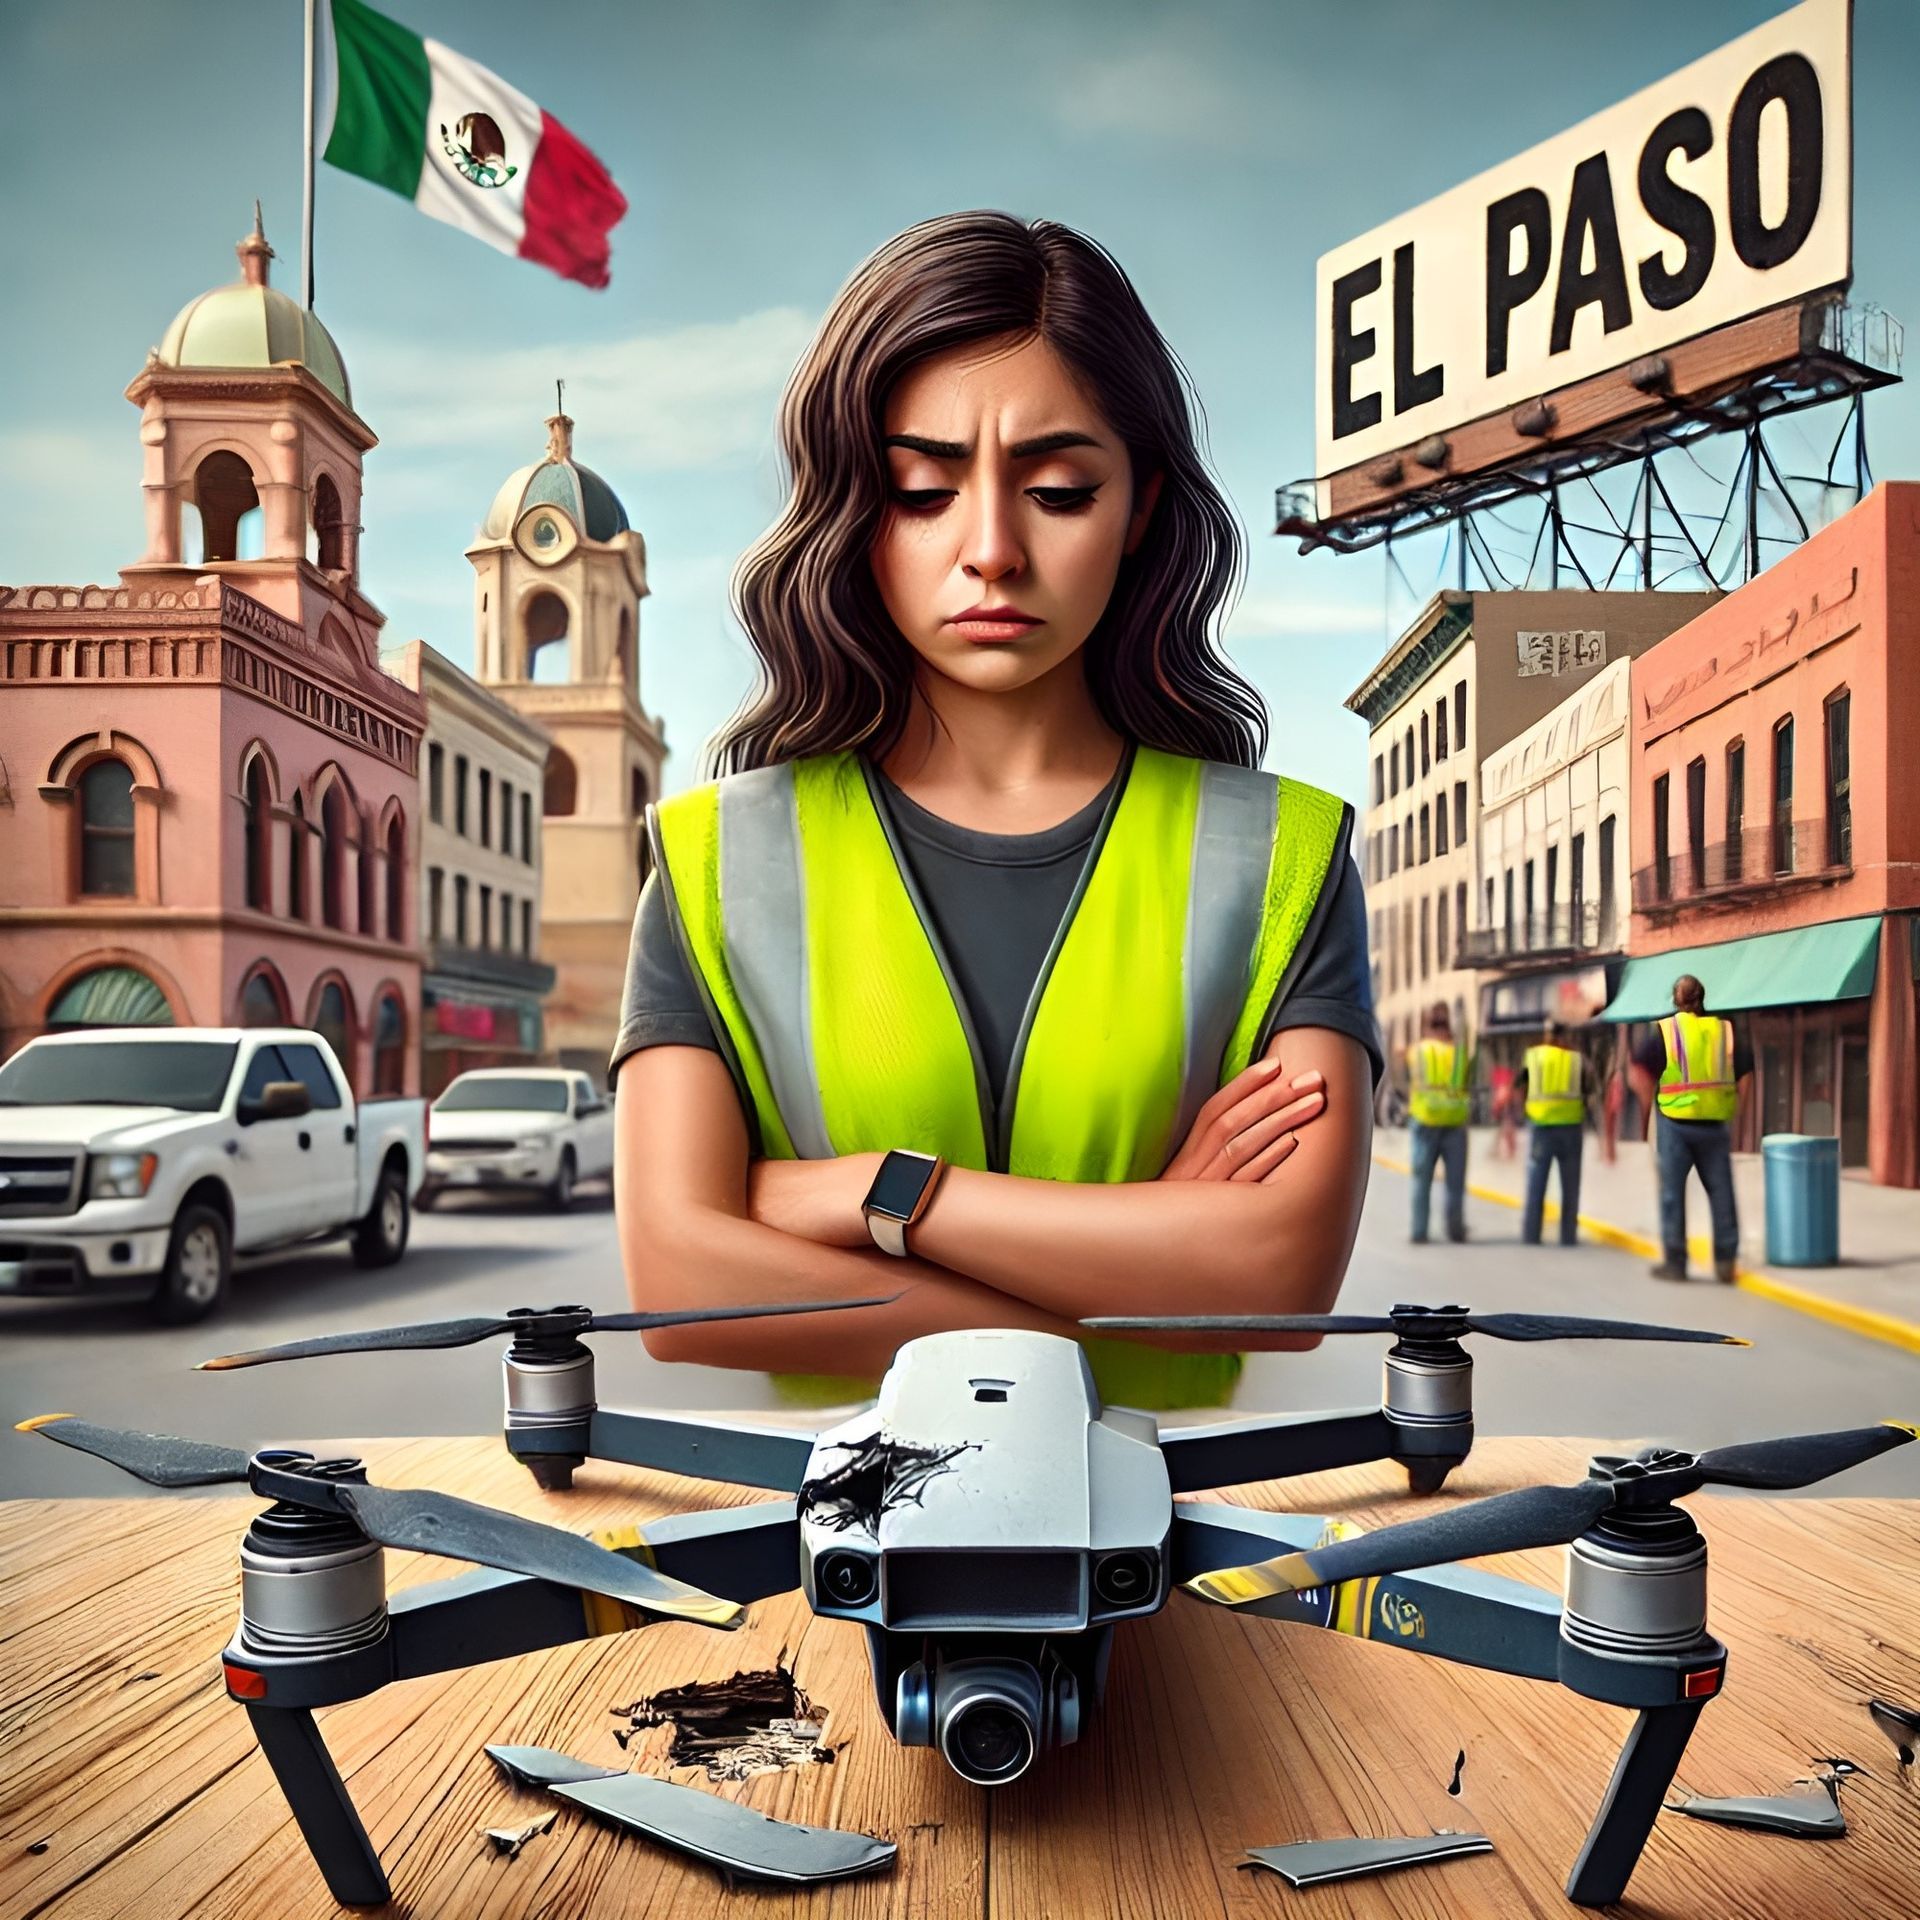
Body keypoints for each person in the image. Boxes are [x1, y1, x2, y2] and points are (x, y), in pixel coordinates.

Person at [609, 212, 1382, 1410]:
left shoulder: (1282, 856)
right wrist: (1147, 1253)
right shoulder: (715, 857)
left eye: (1060, 489)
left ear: (1139, 509)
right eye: (922, 489)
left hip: (1180, 1543)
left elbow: (1276, 1282)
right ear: (855, 512)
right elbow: (679, 1285)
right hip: (834, 1554)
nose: (991, 550)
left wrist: (880, 1194)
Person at [1628, 975, 1753, 1283]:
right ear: (1702, 997)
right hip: (1715, 1125)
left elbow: (1638, 1074)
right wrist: (1738, 1116)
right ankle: (1725, 1263)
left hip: (1675, 1126)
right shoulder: (1724, 1030)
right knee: (1721, 1192)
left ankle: (1676, 1263)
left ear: (1675, 999)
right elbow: (1747, 1076)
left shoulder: (1665, 1031)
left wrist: (1646, 1113)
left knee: (1672, 1194)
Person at [1406, 1002, 1469, 1245]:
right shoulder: (1459, 1053)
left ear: (1427, 1026)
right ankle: (1456, 1230)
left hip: (1424, 1119)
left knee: (1421, 1181)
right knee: (1455, 1182)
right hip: (1454, 1121)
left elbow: (1404, 1079)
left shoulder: (1417, 1051)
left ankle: (1419, 1231)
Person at [1520, 1019, 1587, 1247]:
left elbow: (1520, 1084)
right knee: (1570, 1186)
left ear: (1547, 1035)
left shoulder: (1534, 1056)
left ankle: (1531, 1234)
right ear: (1564, 1036)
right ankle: (1568, 1236)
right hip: (1571, 1128)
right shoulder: (1577, 1060)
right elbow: (1588, 1091)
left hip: (1540, 1127)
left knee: (1536, 1183)